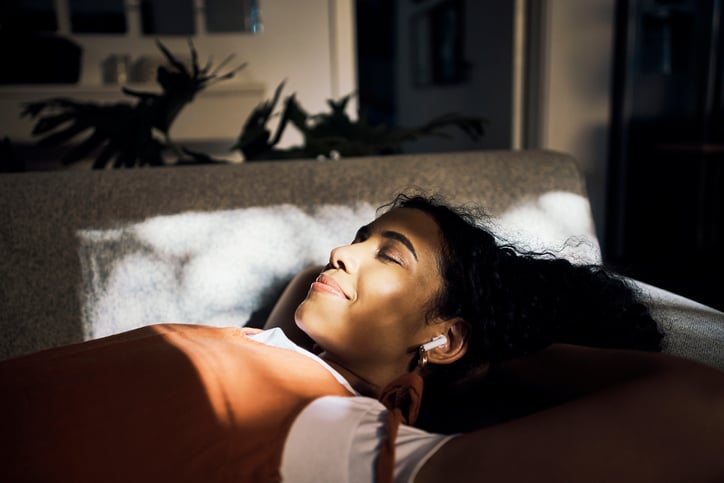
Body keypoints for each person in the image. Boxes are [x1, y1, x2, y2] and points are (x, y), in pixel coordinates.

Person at [1, 194, 723, 483]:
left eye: (390, 254)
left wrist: (500, 356)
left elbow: (706, 410)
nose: (341, 253)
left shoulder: (344, 435)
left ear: (443, 344)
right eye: (359, 237)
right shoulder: (273, 347)